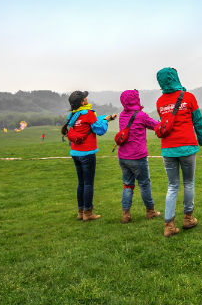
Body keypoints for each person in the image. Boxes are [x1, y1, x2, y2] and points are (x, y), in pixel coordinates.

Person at [156, 68, 202, 237]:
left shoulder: (160, 101)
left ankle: (168, 225)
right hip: (187, 146)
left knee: (172, 186)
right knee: (188, 183)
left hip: (168, 148)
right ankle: (188, 218)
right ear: (175, 78)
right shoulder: (189, 97)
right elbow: (198, 120)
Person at [61, 91, 117, 222]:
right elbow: (99, 130)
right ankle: (88, 213)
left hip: (75, 153)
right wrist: (107, 120)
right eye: (84, 97)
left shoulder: (72, 115)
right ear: (82, 102)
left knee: (81, 183)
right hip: (87, 153)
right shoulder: (88, 113)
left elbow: (91, 123)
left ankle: (80, 212)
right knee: (88, 184)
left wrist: (104, 118)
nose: (87, 98)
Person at [117, 89, 161, 224]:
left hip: (123, 157)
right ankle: (150, 211)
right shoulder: (141, 115)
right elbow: (156, 126)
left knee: (127, 185)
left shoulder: (122, 115)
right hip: (138, 157)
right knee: (144, 184)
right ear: (135, 100)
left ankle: (126, 214)